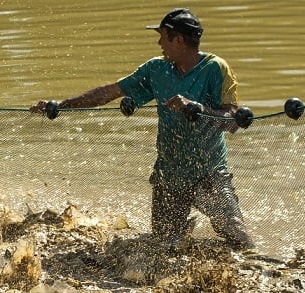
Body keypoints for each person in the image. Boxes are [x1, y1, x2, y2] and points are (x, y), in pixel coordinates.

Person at [32, 8, 253, 252]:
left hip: (209, 175)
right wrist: (61, 105)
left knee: (240, 241)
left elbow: (232, 121)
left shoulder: (216, 68)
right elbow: (110, 91)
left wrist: (198, 109)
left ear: (178, 40)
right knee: (163, 247)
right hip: (169, 176)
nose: (159, 43)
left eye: (163, 37)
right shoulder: (156, 70)